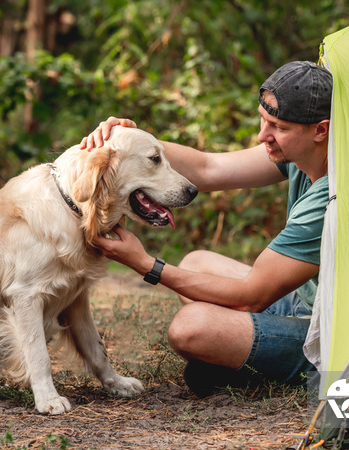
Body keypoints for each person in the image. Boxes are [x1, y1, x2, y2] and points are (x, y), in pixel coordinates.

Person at [80, 61, 332, 397]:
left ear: (320, 130)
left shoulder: (331, 196)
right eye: (263, 119)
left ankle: (290, 367)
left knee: (191, 328)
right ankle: (244, 359)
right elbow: (209, 168)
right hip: (304, 299)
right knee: (197, 262)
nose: (262, 135)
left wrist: (146, 264)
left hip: (327, 328)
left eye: (279, 127)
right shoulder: (302, 154)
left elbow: (251, 298)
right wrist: (130, 141)